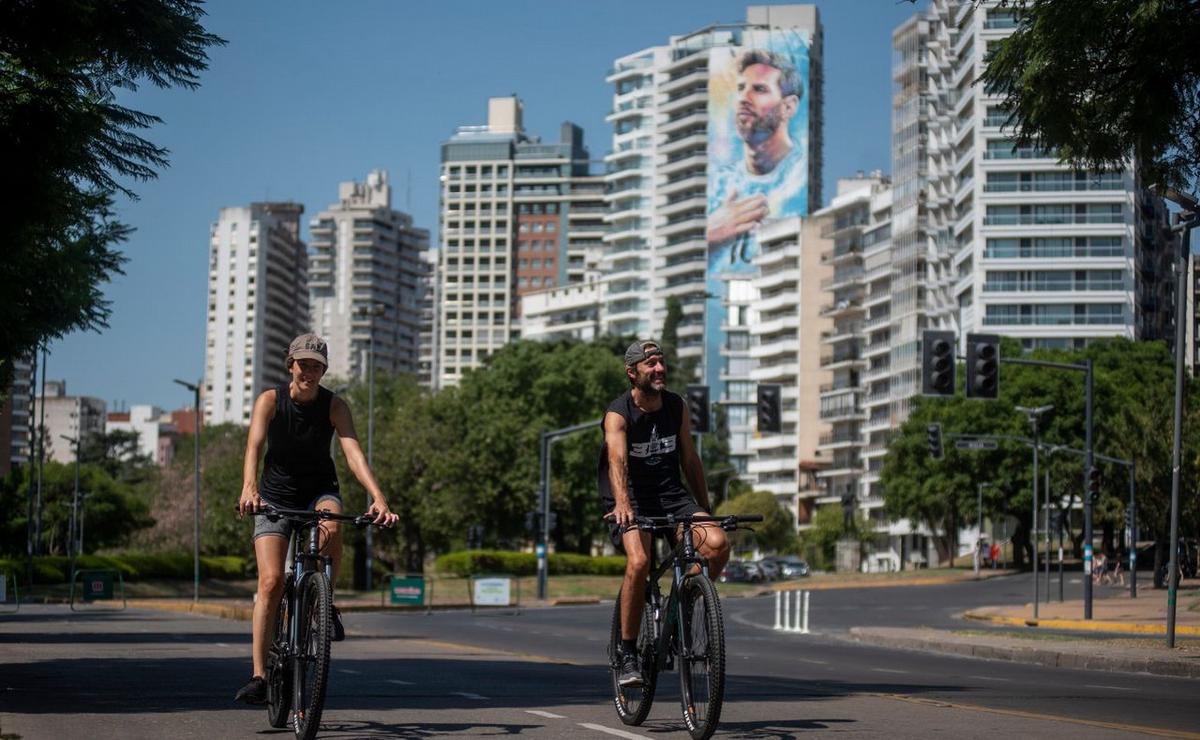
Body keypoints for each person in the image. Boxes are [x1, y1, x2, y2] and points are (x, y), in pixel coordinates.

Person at [233, 333, 397, 705]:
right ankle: (259, 675)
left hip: (320, 489)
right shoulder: (270, 401)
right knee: (272, 582)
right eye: (303, 364)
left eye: (317, 366)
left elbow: (353, 453)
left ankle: (323, 601)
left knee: (334, 525)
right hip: (274, 496)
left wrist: (378, 496)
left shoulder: (334, 406)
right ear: (290, 364)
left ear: (324, 370)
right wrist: (249, 488)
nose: (309, 371)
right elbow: (254, 447)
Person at [599, 340, 731, 688]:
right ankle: (628, 653)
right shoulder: (618, 413)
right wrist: (622, 502)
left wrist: (705, 509)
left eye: (661, 362)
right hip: (632, 499)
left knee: (717, 544)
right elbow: (617, 460)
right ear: (632, 373)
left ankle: (680, 608)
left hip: (672, 497)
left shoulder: (676, 405)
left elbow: (689, 459)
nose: (659, 369)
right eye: (650, 364)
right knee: (639, 563)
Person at [707, 48, 807, 257]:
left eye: (759, 89)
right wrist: (711, 234)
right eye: (741, 88)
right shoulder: (717, 182)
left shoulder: (800, 179)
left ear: (788, 107)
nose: (744, 97)